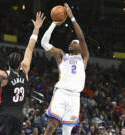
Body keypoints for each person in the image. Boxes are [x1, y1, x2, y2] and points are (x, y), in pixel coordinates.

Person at [41, 3, 89, 135]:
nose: (72, 43)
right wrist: (53, 24)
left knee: (67, 132)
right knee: (51, 126)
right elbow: (44, 43)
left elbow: (81, 38)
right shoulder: (62, 55)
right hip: (61, 93)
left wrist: (72, 18)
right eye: (72, 42)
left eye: (75, 42)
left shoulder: (84, 57)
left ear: (80, 47)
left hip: (75, 97)